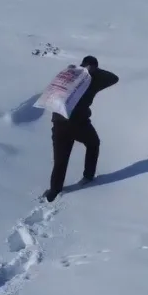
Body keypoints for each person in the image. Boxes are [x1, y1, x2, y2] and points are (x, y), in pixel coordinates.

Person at [42, 55, 119, 202]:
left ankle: (54, 191)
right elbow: (114, 78)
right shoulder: (93, 80)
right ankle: (88, 176)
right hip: (79, 124)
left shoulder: (69, 77)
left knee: (60, 160)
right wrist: (94, 71)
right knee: (93, 143)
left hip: (58, 123)